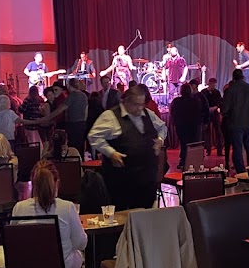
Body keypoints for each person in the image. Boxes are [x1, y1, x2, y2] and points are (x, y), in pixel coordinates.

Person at [88, 83, 168, 211]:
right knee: (122, 214)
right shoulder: (110, 116)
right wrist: (111, 152)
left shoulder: (148, 114)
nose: (139, 108)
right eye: (136, 104)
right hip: (122, 179)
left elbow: (162, 127)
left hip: (147, 178)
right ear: (125, 102)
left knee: (145, 213)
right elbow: (94, 136)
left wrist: (160, 139)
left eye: (142, 104)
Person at [11, 161, 87, 268]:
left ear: (33, 183)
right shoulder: (67, 207)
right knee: (78, 254)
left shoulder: (19, 208)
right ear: (56, 182)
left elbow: (14, 244)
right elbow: (80, 243)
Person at [222, 68, 249, 174]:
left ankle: (241, 172)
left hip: (236, 123)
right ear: (243, 77)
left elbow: (225, 109)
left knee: (237, 148)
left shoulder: (230, 90)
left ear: (233, 78)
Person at [170, 82, 204, 169]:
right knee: (192, 144)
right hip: (193, 126)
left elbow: (172, 113)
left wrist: (175, 123)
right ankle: (192, 162)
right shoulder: (196, 101)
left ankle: (183, 161)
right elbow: (199, 113)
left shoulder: (176, 101)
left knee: (183, 143)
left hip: (181, 126)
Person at [63, 78, 89, 155]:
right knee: (80, 146)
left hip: (72, 123)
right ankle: (80, 160)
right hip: (81, 123)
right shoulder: (84, 95)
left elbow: (62, 108)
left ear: (69, 86)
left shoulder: (71, 96)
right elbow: (86, 111)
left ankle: (74, 160)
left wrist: (47, 118)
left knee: (72, 146)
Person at [203, 77, 224, 156]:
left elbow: (220, 101)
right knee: (207, 132)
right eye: (212, 85)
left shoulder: (217, 92)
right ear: (209, 84)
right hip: (206, 113)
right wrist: (207, 108)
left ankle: (219, 150)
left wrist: (216, 107)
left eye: (214, 85)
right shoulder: (204, 92)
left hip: (215, 113)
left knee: (218, 131)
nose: (213, 86)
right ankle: (208, 150)